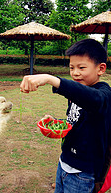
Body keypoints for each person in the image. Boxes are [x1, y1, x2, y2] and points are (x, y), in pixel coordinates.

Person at [20, 39, 111, 193]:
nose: (75, 73)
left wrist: (51, 79)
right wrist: (56, 123)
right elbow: (76, 121)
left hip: (83, 173)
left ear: (100, 69)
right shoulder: (77, 93)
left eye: (82, 67)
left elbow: (93, 100)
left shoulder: (104, 94)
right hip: (64, 162)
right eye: (71, 67)